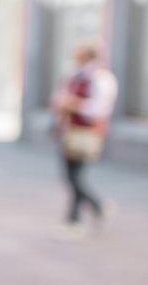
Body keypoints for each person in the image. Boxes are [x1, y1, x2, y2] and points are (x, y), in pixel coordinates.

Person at [50, 39, 118, 233]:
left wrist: (73, 104)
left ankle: (81, 215)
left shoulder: (102, 78)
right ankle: (82, 215)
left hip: (87, 133)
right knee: (70, 176)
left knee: (75, 177)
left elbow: (100, 108)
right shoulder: (72, 74)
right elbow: (58, 97)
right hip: (68, 131)